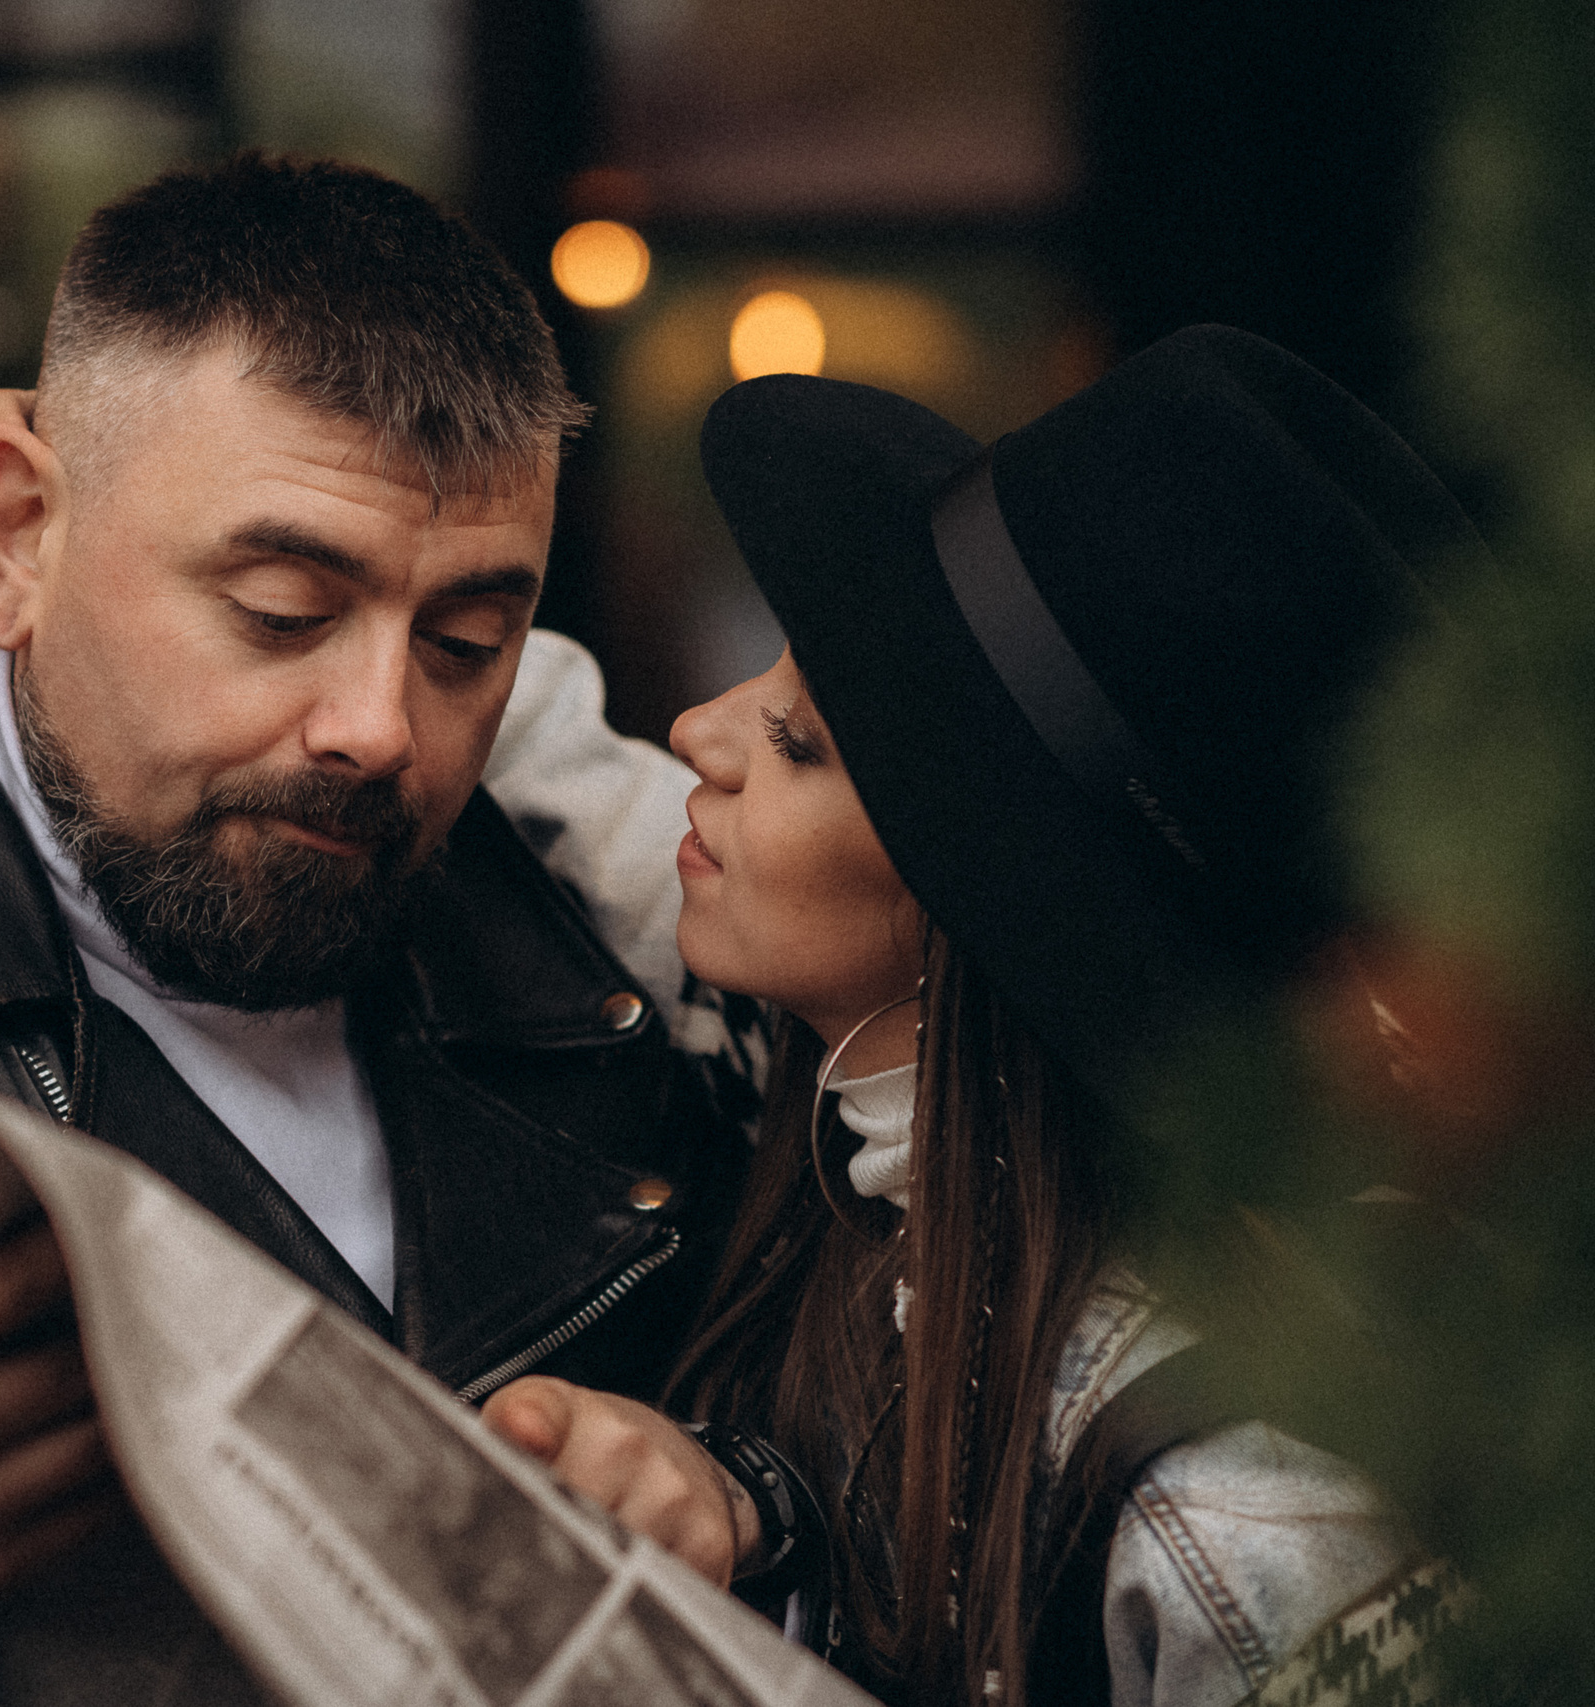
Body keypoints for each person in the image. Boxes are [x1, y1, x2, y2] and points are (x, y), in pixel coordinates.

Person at [0, 153, 741, 1707]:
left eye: (468, 641)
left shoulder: (615, 978)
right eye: (281, 611)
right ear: (14, 535)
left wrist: (727, 1495)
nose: (380, 727)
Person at [480, 325, 1482, 1705]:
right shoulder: (860, 1115)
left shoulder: (1241, 1519)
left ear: (981, 904)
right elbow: (531, 744)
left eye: (800, 742)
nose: (702, 730)